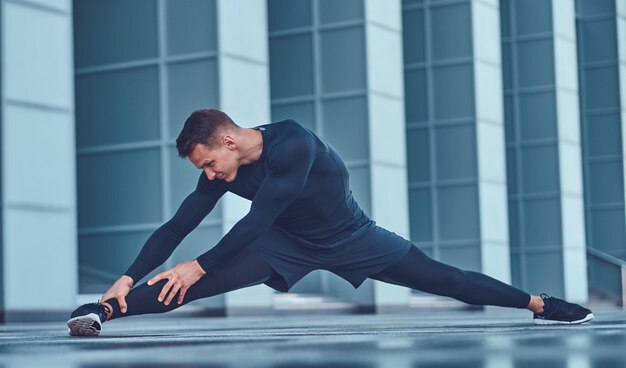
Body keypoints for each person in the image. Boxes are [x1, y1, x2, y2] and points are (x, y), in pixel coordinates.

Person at [67, 109, 593, 336]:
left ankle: (540, 304)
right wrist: (132, 274)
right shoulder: (221, 172)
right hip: (285, 244)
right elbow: (177, 225)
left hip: (352, 237)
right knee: (187, 287)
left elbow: (258, 218)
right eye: (202, 169)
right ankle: (101, 312)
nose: (208, 175)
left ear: (227, 140)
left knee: (446, 280)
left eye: (208, 163)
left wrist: (198, 264)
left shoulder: (293, 144)